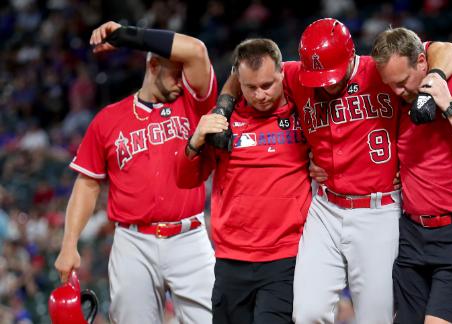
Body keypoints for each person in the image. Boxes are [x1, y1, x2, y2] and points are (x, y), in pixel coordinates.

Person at [280, 18, 452, 324]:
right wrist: (224, 104)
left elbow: (446, 49)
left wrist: (435, 80)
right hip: (325, 208)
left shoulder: (380, 71)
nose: (326, 83)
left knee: (376, 319)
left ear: (351, 56)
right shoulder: (296, 75)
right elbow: (249, 67)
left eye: (331, 74)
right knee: (306, 313)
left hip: (379, 211)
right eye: (318, 76)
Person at [54, 21, 217, 324]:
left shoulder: (194, 103)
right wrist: (69, 244)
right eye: (175, 72)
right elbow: (87, 183)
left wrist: (128, 36)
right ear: (153, 64)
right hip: (133, 243)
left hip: (189, 237)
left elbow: (196, 50)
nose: (183, 80)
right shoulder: (107, 120)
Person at [371, 27, 452, 323]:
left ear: (422, 62)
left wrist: (448, 105)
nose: (397, 92)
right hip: (412, 236)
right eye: (390, 85)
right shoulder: (400, 98)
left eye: (403, 82)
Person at [175, 38, 311, 324]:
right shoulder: (223, 123)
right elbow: (186, 179)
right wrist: (196, 139)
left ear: (282, 73)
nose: (260, 95)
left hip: (285, 258)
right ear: (238, 81)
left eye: (267, 85)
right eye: (251, 88)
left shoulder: (303, 113)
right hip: (231, 260)